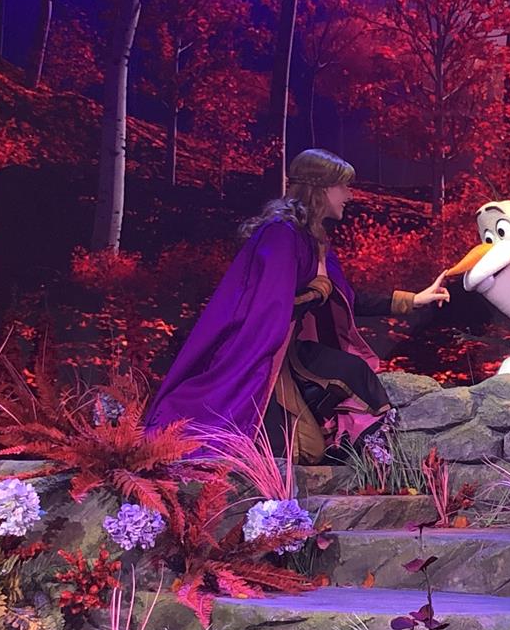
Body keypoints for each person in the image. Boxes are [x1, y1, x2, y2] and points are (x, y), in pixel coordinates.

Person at [144, 148, 449, 463]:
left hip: (290, 351)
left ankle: (369, 466)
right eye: (343, 186)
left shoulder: (313, 238)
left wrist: (413, 300)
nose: (349, 195)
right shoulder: (281, 235)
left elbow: (346, 297)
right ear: (321, 189)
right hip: (260, 352)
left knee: (352, 374)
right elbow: (270, 305)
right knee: (282, 446)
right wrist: (317, 292)